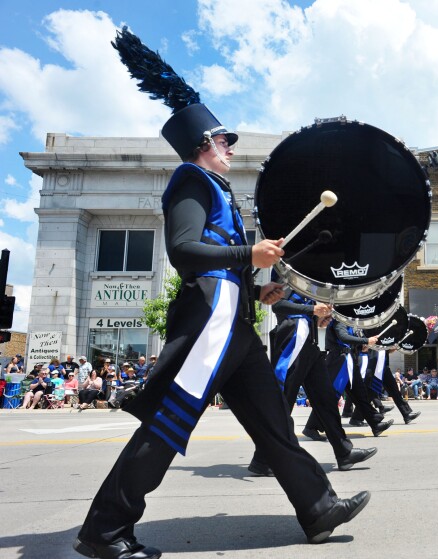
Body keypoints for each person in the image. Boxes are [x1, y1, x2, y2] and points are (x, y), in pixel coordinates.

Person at [76, 28, 369, 559]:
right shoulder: (189, 181)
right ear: (200, 147)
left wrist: (259, 290)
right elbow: (185, 252)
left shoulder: (217, 189)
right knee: (165, 428)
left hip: (235, 328)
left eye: (228, 140)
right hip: (207, 332)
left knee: (274, 425)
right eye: (221, 140)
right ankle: (105, 530)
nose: (229, 147)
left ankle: (318, 506)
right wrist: (246, 258)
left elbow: (224, 269)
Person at [248, 292, 376, 475]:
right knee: (283, 400)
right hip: (294, 337)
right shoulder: (288, 265)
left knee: (327, 399)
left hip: (309, 340)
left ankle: (343, 451)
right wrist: (312, 310)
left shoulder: (308, 275)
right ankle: (263, 458)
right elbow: (278, 305)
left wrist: (315, 316)